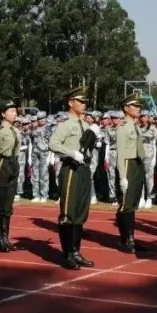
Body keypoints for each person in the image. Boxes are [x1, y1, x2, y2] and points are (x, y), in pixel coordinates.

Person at [47, 86, 96, 270]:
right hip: (70, 169)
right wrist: (72, 153)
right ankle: (67, 253)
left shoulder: (85, 125)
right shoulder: (65, 124)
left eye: (85, 102)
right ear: (71, 102)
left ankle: (76, 251)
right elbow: (53, 144)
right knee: (68, 213)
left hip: (83, 170)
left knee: (80, 213)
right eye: (80, 101)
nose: (84, 104)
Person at [114, 93, 147, 253]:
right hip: (127, 164)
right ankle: (125, 240)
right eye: (136, 106)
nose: (139, 109)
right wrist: (122, 177)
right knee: (126, 205)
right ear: (126, 108)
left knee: (132, 204)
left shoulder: (135, 125)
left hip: (137, 164)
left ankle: (131, 238)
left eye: (140, 106)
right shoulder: (122, 127)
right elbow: (120, 153)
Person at [0, 98, 22, 252]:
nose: (15, 113)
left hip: (13, 165)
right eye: (11, 111)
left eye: (15, 111)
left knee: (8, 204)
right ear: (3, 114)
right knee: (0, 203)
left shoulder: (16, 130)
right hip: (2, 165)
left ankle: (6, 238)